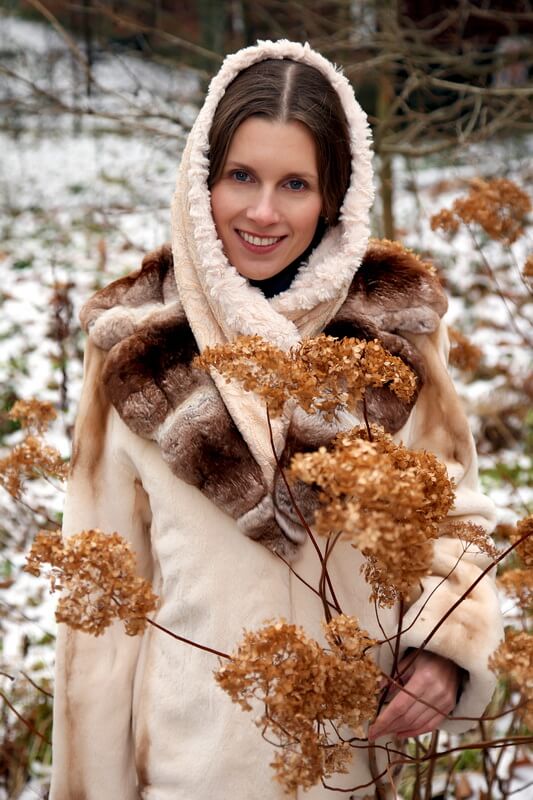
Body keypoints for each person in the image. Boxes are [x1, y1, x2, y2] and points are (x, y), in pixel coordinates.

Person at [50, 40, 503, 799]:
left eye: (295, 183)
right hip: (189, 777)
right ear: (202, 180)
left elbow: (450, 519)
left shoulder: (394, 335)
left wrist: (444, 649)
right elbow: (100, 616)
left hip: (353, 764)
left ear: (335, 196)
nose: (263, 212)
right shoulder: (136, 349)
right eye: (241, 176)